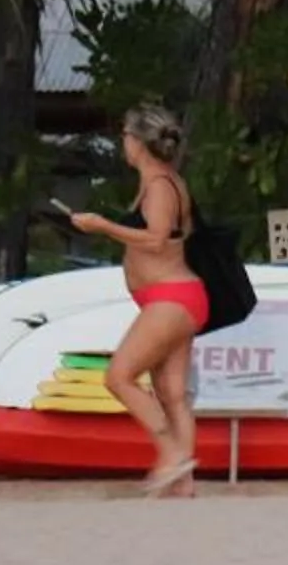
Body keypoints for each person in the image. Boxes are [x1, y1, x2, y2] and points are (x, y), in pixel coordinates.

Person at [69, 105, 204, 497]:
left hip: (171, 297)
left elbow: (159, 238)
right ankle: (184, 483)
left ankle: (172, 454)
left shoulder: (160, 186)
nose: (123, 143)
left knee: (119, 377)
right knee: (172, 393)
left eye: (126, 136)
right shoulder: (168, 181)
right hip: (180, 296)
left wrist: (103, 226)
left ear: (140, 143)